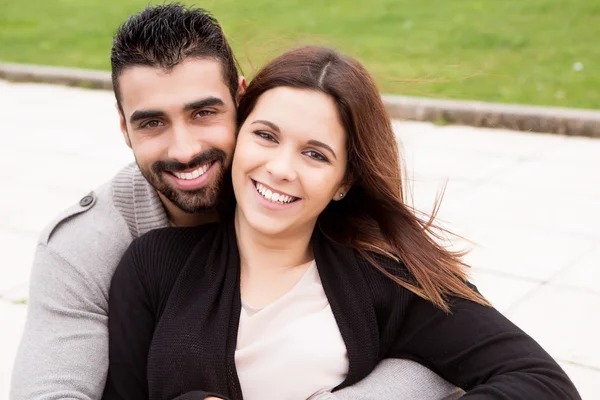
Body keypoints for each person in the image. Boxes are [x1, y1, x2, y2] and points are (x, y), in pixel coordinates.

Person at [10, 4, 463, 400]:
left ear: (241, 99)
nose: (184, 150)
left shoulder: (305, 196)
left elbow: (451, 348)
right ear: (124, 128)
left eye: (203, 113)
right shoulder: (81, 248)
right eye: (152, 123)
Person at [102, 45, 580, 400]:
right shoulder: (153, 266)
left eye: (315, 153)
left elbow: (541, 383)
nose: (281, 168)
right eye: (266, 136)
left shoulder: (385, 276)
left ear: (344, 181)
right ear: (238, 134)